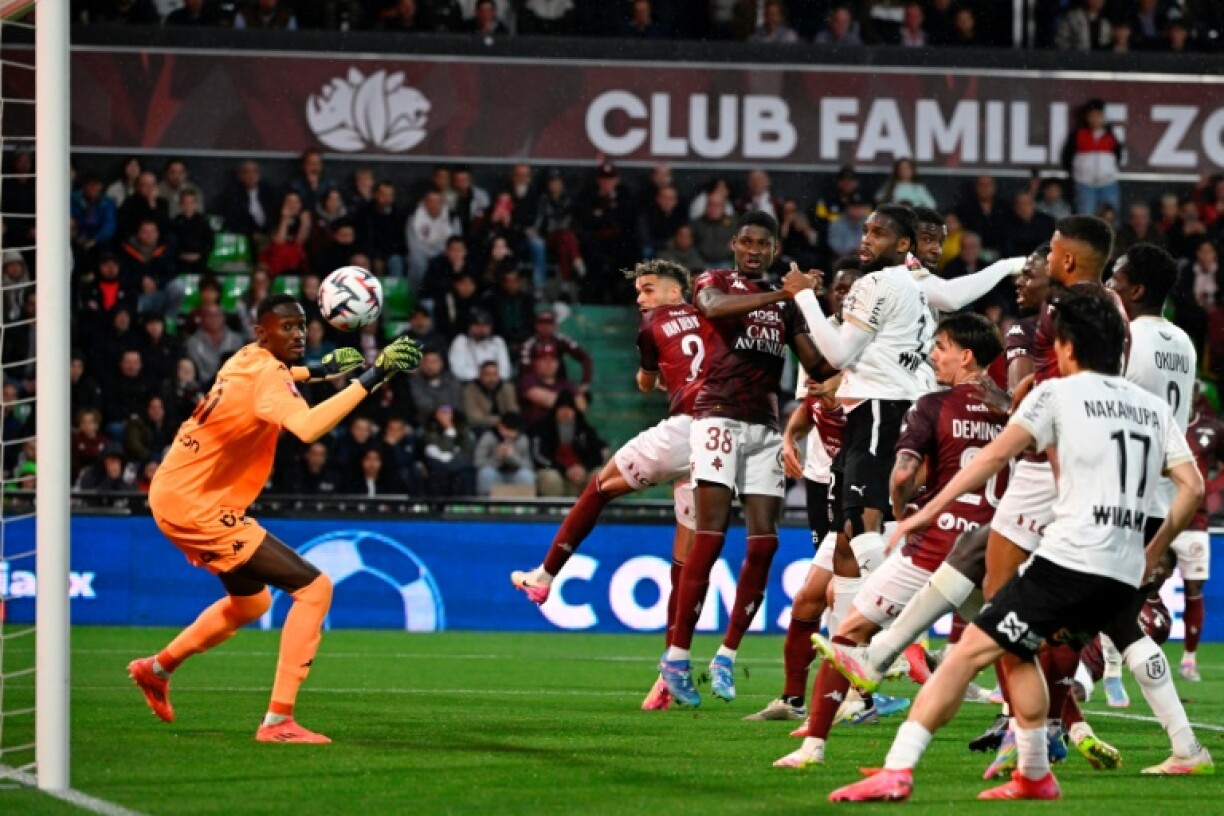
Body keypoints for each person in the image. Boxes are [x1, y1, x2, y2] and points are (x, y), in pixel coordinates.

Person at [825, 291, 1210, 803]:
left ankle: (898, 769)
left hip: (1067, 565)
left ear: (1067, 347)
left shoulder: (1057, 395)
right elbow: (1193, 487)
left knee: (964, 656)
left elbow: (989, 461)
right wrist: (1153, 548)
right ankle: (1033, 771)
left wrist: (922, 512)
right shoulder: (1153, 409)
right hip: (1120, 573)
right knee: (1019, 652)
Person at [127, 295, 421, 743]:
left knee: (253, 603)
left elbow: (276, 381)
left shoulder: (244, 359)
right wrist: (374, 375)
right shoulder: (267, 372)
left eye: (301, 325)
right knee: (315, 589)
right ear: (262, 333)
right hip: (197, 505)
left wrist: (321, 371)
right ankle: (279, 721)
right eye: (285, 327)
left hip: (178, 491)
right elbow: (306, 428)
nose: (298, 333)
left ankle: (156, 668)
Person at [776, 313, 1007, 768]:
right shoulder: (1012, 409)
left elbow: (902, 474)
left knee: (849, 632)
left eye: (941, 346)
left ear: (966, 355)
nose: (933, 355)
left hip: (935, 548)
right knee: (1008, 645)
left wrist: (903, 512)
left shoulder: (932, 405)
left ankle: (812, 746)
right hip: (991, 551)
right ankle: (1050, 732)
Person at [510, 259, 712, 705]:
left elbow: (644, 383)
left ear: (676, 291)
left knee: (600, 485)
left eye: (648, 289)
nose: (641, 299)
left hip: (686, 429)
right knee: (685, 561)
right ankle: (671, 670)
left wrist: (662, 374)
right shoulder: (713, 312)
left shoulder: (653, 325)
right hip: (723, 441)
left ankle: (544, 576)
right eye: (638, 292)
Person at [660, 211, 826, 707]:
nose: (754, 251)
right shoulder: (714, 280)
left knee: (764, 544)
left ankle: (727, 656)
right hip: (718, 417)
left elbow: (816, 363)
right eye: (747, 242)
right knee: (709, 538)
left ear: (776, 250)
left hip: (765, 426)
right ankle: (676, 656)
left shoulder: (787, 304)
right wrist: (787, 293)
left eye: (764, 244)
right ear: (735, 244)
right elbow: (711, 309)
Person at [745, 260, 860, 723]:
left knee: (842, 597)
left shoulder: (880, 348)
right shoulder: (818, 336)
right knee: (818, 598)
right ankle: (797, 698)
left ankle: (859, 695)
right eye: (841, 288)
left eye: (856, 289)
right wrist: (791, 433)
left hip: (869, 488)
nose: (846, 296)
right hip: (828, 480)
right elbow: (813, 400)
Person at [1174, 387, 1224, 681]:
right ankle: (1119, 661)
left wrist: (1215, 494)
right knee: (1142, 589)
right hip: (1160, 519)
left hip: (1196, 523)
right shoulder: (1159, 421)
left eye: (1192, 387)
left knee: (1194, 590)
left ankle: (1189, 659)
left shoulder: (1212, 428)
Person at [1061, 98, 1124, 216]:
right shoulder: (1078, 135)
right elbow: (1067, 157)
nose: (1095, 119)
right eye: (1092, 115)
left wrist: (1109, 172)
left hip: (1108, 183)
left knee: (1110, 218)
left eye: (1098, 115)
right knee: (1086, 218)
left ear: (1103, 116)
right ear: (1087, 117)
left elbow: (1119, 155)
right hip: (1084, 184)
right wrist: (1078, 174)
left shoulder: (1111, 135)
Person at [474, 411, 536, 495]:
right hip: (495, 475)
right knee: (486, 473)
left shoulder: (522, 439)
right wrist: (497, 457)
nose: (508, 434)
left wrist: (512, 456)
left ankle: (523, 504)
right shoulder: (488, 437)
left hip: (515, 475)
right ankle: (489, 504)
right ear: (500, 426)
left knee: (526, 475)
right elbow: (477, 463)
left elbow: (529, 466)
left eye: (513, 431)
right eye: (506, 429)